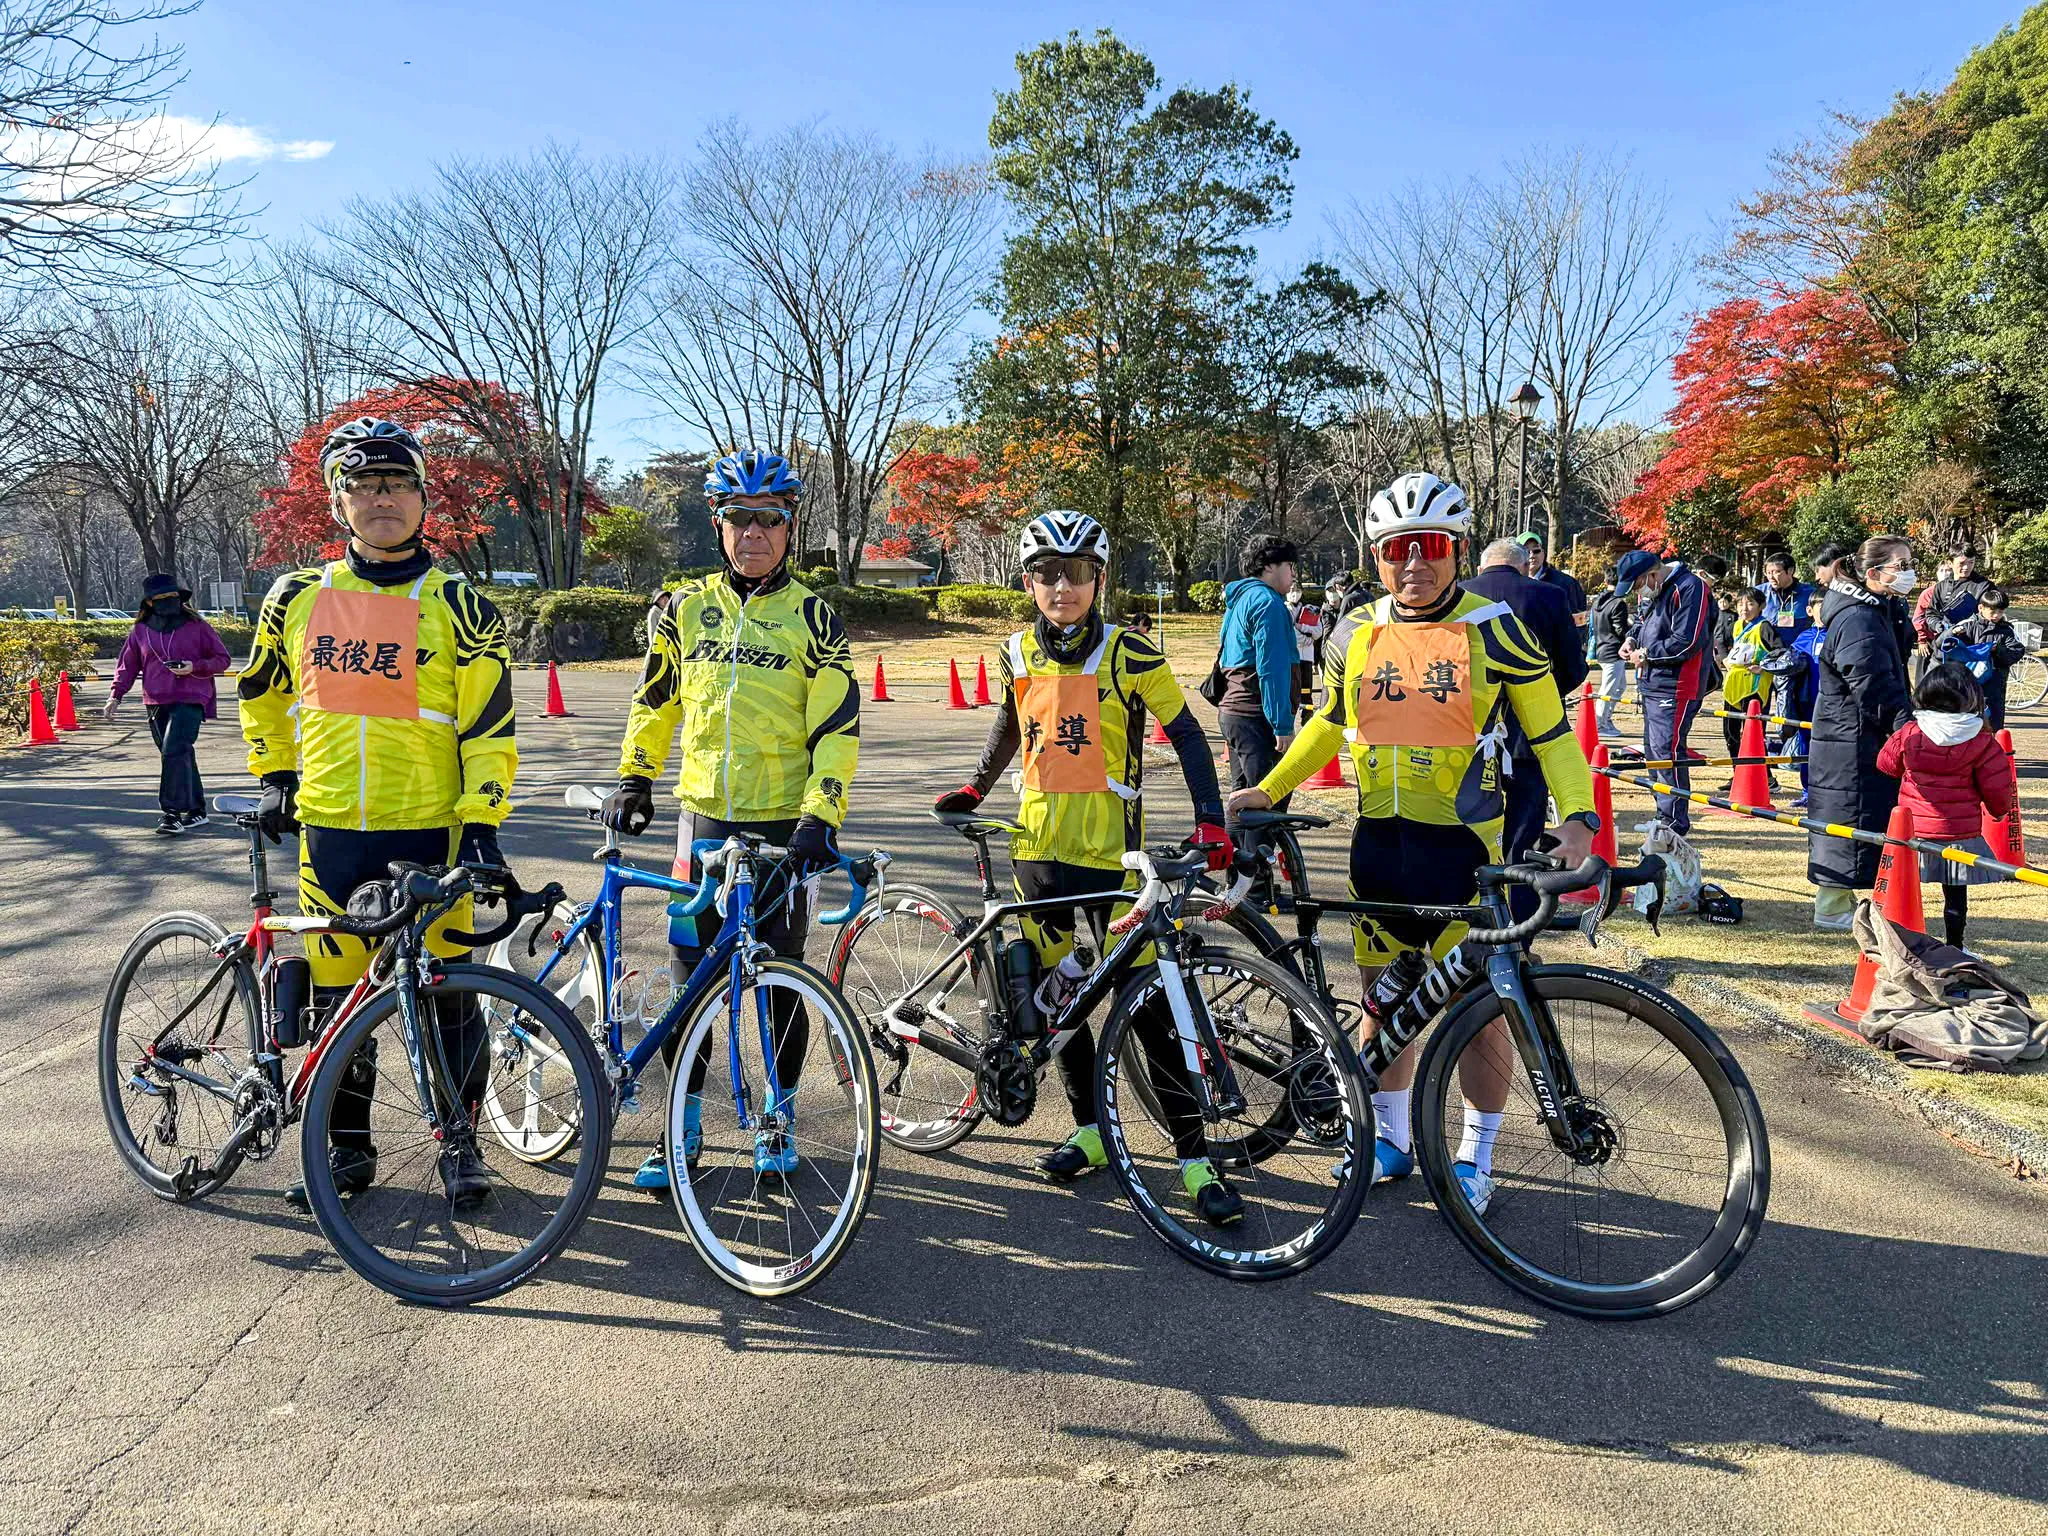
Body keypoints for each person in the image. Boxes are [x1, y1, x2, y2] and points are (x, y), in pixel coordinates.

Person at [1228, 472, 1598, 1217]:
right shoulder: (1357, 631)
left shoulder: (1495, 624)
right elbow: (1328, 724)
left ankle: (1474, 1155)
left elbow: (1552, 733)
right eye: (1398, 549)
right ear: (1376, 554)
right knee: (1382, 996)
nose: (1414, 563)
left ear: (1457, 549)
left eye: (1430, 546)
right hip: (1380, 849)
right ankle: (1390, 1141)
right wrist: (1270, 789)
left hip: (1467, 856)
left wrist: (1581, 815)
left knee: (1479, 1010)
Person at [931, 511, 1241, 1224]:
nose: (1061, 586)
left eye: (1076, 573)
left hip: (1115, 858)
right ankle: (1090, 1131)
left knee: (1151, 1008)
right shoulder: (1015, 651)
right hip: (1037, 851)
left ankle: (1193, 1157)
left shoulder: (1130, 653)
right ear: (1028, 580)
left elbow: (1189, 734)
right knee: (1058, 1002)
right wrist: (977, 787)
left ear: (1099, 579)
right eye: (1046, 573)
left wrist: (1210, 820)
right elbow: (1009, 724)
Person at [240, 418, 519, 1211]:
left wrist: (485, 823)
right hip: (330, 832)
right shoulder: (296, 595)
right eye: (362, 485)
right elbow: (262, 691)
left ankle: (461, 1150)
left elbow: (489, 725)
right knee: (339, 1005)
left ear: (424, 497)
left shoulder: (460, 603)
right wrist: (275, 772)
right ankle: (348, 1154)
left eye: (396, 483)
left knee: (451, 999)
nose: (380, 499)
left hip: (431, 831)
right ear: (338, 502)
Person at [601, 448, 859, 1191]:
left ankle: (776, 1121)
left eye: (768, 519)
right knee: (690, 982)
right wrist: (635, 776)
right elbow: (655, 703)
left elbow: (838, 726)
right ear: (718, 524)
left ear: (789, 527)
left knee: (780, 979)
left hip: (784, 827)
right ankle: (679, 1129)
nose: (753, 532)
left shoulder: (814, 617)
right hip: (703, 819)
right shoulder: (684, 611)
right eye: (739, 518)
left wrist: (822, 815)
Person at [1463, 538, 1587, 924]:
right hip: (1532, 733)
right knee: (1523, 834)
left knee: (1469, 832)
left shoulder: (1460, 595)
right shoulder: (1549, 596)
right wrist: (1539, 699)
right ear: (1524, 567)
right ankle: (1519, 928)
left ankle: (1470, 924)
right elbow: (1574, 667)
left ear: (1482, 566)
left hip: (1471, 733)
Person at [1808, 536, 1918, 930]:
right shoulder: (1858, 617)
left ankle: (1845, 898)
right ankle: (1833, 904)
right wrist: (1905, 727)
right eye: (1900, 565)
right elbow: (1872, 682)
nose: (1908, 573)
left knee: (1862, 815)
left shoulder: (1876, 608)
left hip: (1857, 733)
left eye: (1909, 563)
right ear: (1872, 573)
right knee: (1849, 815)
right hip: (1851, 736)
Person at [1876, 663, 2016, 951]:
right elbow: (1997, 788)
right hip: (1959, 831)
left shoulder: (1910, 732)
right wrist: (1999, 812)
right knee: (1954, 895)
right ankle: (1955, 945)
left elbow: (1885, 765)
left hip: (1912, 830)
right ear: (1972, 697)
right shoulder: (1982, 741)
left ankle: (1898, 944)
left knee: (1902, 888)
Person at [105, 572, 233, 835]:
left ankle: (171, 814)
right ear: (149, 602)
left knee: (173, 749)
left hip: (192, 696)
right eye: (160, 598)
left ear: (180, 598)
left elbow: (223, 659)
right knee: (178, 754)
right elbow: (127, 666)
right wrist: (115, 696)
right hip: (155, 699)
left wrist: (194, 667)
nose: (167, 601)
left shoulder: (197, 625)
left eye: (172, 596)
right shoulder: (140, 631)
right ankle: (197, 811)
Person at [1617, 548, 1715, 837]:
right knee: (1654, 750)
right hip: (1651, 680)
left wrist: (1648, 654)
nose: (1639, 592)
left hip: (1677, 683)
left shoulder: (1690, 587)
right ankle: (1664, 815)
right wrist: (1631, 639)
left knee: (1667, 750)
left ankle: (1674, 821)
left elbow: (1688, 640)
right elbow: (1642, 620)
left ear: (1651, 574)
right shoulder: (1654, 591)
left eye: (1637, 585)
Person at [1216, 535, 1300, 845]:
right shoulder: (1268, 603)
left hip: (1234, 712)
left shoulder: (1240, 598)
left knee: (1241, 800)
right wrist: (1282, 723)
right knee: (1268, 800)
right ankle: (1254, 885)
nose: (1293, 575)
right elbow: (1272, 668)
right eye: (1289, 566)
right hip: (1256, 716)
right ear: (1268, 567)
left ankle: (1237, 878)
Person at [1942, 586, 2029, 732]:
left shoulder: (2006, 631)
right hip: (1966, 685)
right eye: (1992, 611)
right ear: (1981, 608)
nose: (1996, 615)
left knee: (1992, 726)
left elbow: (2017, 652)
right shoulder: (1967, 625)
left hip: (1994, 687)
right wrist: (1952, 633)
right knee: (1964, 723)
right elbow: (1941, 645)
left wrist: (1998, 650)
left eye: (2000, 612)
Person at [1719, 588, 1786, 759]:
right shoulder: (1735, 625)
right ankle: (1737, 774)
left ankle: (1767, 778)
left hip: (1755, 688)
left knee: (1752, 734)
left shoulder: (1764, 627)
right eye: (1740, 604)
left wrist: (1762, 665)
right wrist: (1725, 658)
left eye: (1750, 604)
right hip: (1734, 685)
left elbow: (1780, 651)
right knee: (1730, 733)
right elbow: (1719, 641)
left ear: (1761, 606)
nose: (1744, 609)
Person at [1779, 589, 1830, 807]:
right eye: (1821, 606)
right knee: (1806, 748)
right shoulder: (1804, 637)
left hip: (1831, 705)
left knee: (1830, 749)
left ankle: (1828, 795)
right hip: (1805, 703)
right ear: (1810, 610)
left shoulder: (1839, 635)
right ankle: (1808, 793)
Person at [1914, 549, 1991, 679]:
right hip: (1941, 648)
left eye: (1971, 562)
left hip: (1969, 652)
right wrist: (1938, 625)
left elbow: (1991, 616)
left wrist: (1967, 626)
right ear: (1951, 563)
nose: (1966, 567)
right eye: (1961, 563)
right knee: (1931, 691)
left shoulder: (1984, 586)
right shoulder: (1941, 587)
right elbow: (1931, 613)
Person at [1586, 567, 1632, 737]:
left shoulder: (1599, 601)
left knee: (1619, 687)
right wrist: (1631, 627)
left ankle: (1605, 719)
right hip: (1614, 650)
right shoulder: (1618, 603)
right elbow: (1620, 629)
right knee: (1608, 690)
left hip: (1602, 647)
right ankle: (1600, 724)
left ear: (1606, 582)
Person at [1516, 531, 1588, 625]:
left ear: (1543, 553)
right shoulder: (1511, 583)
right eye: (1526, 551)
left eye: (1536, 551)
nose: (1532, 555)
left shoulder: (1566, 583)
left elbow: (1578, 622)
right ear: (1516, 556)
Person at [1756, 551, 1815, 644]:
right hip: (1768, 648)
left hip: (1799, 648)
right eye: (1768, 573)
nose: (1771, 577)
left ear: (1790, 571)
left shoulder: (1809, 593)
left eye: (1776, 572)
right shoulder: (1759, 592)